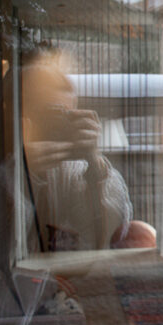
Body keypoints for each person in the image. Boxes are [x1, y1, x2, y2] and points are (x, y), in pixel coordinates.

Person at [13, 48, 137, 254]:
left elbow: (111, 233)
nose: (55, 127)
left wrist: (95, 164)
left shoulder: (72, 162)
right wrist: (19, 172)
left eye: (65, 116)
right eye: (47, 115)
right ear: (15, 115)